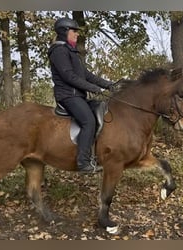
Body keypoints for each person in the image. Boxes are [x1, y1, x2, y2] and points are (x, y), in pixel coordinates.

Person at [48, 17, 113, 174]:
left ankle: (97, 153)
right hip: (68, 96)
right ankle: (83, 162)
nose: (77, 34)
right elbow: (69, 76)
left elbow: (86, 75)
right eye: (74, 31)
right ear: (64, 33)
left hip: (78, 95)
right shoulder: (59, 51)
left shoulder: (71, 52)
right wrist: (94, 89)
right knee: (88, 121)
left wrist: (109, 85)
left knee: (101, 109)